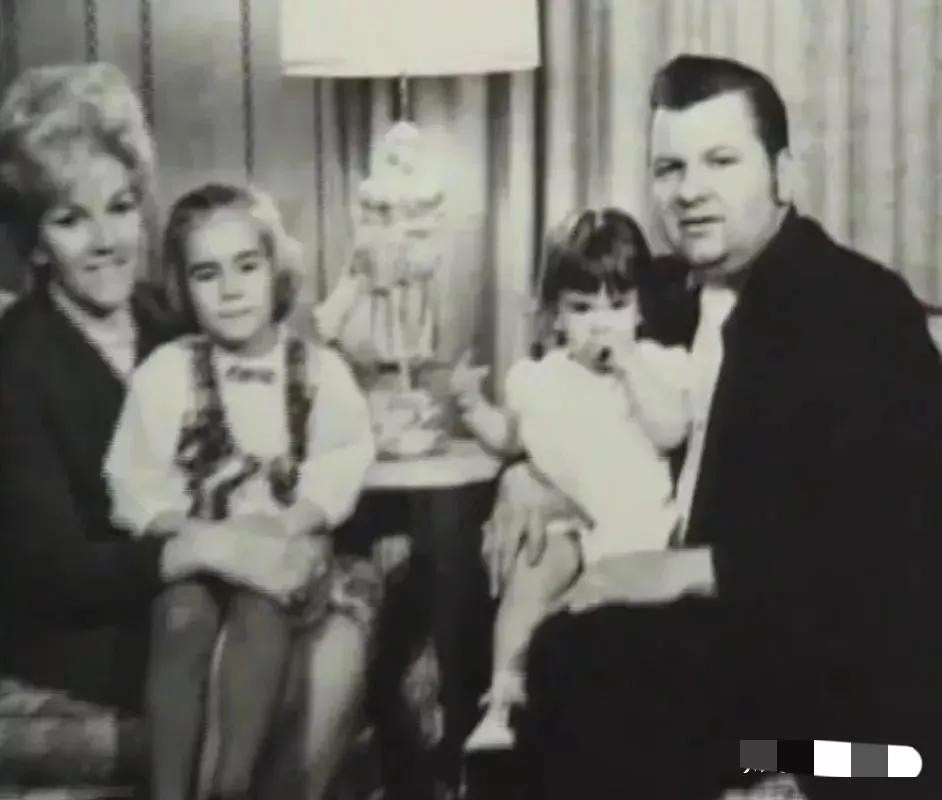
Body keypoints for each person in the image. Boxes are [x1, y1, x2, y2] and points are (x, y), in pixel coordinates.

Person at [485, 55, 942, 800]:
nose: (689, 190)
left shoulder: (859, 308)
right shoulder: (652, 299)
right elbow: (583, 407)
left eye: (721, 161)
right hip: (712, 663)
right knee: (564, 659)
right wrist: (529, 477)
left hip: (856, 733)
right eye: (670, 168)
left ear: (783, 174)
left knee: (582, 669)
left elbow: (897, 552)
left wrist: (691, 569)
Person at [0, 63, 376, 800]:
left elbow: (281, 417)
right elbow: (51, 571)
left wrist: (288, 531)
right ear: (36, 242)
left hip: (214, 589)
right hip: (92, 626)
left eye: (120, 207)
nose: (105, 240)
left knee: (339, 621)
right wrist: (205, 546)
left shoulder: (172, 316)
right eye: (70, 220)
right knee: (302, 652)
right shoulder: (16, 359)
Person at [103, 182, 376, 800]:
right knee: (180, 614)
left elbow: (344, 461)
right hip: (201, 551)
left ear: (275, 269)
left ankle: (233, 784)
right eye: (208, 273)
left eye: (246, 266)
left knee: (262, 611)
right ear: (182, 286)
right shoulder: (167, 373)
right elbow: (133, 483)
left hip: (282, 553)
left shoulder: (319, 371)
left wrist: (285, 525)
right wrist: (202, 537)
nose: (230, 290)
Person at [449, 208, 689, 752]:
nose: (601, 324)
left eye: (617, 305)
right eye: (582, 309)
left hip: (638, 528)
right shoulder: (539, 379)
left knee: (603, 633)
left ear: (640, 309)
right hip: (566, 525)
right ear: (555, 317)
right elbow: (508, 439)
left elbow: (671, 428)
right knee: (528, 579)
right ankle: (503, 697)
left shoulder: (657, 366)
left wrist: (630, 365)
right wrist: (470, 406)